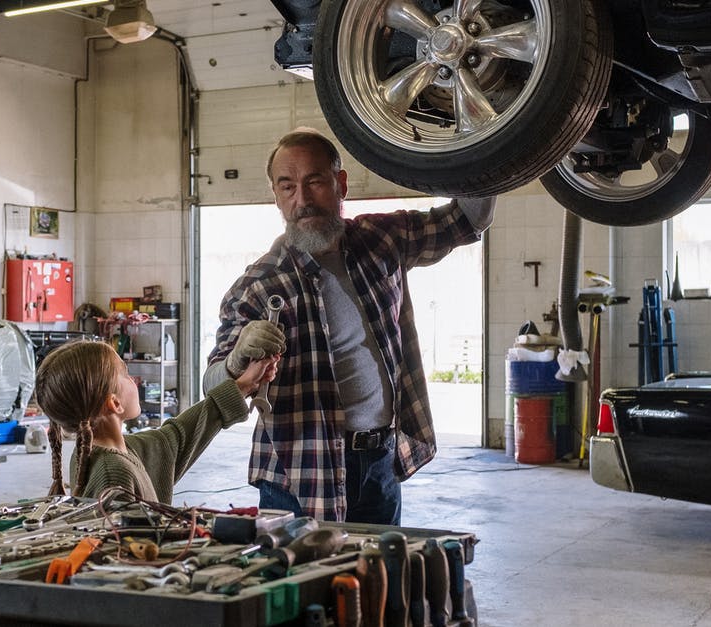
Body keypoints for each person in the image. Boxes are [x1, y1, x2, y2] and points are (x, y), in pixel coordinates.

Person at [204, 127, 496, 524]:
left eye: (315, 182)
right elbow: (213, 385)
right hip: (299, 473)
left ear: (341, 183)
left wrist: (490, 136)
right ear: (275, 196)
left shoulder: (380, 240)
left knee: (377, 580)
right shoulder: (258, 286)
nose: (302, 200)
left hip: (378, 461)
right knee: (307, 584)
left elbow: (466, 219)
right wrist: (238, 359)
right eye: (287, 187)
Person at [38, 340, 277, 503]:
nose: (133, 379)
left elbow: (177, 437)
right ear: (115, 403)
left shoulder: (101, 451)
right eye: (125, 374)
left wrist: (243, 385)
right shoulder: (114, 474)